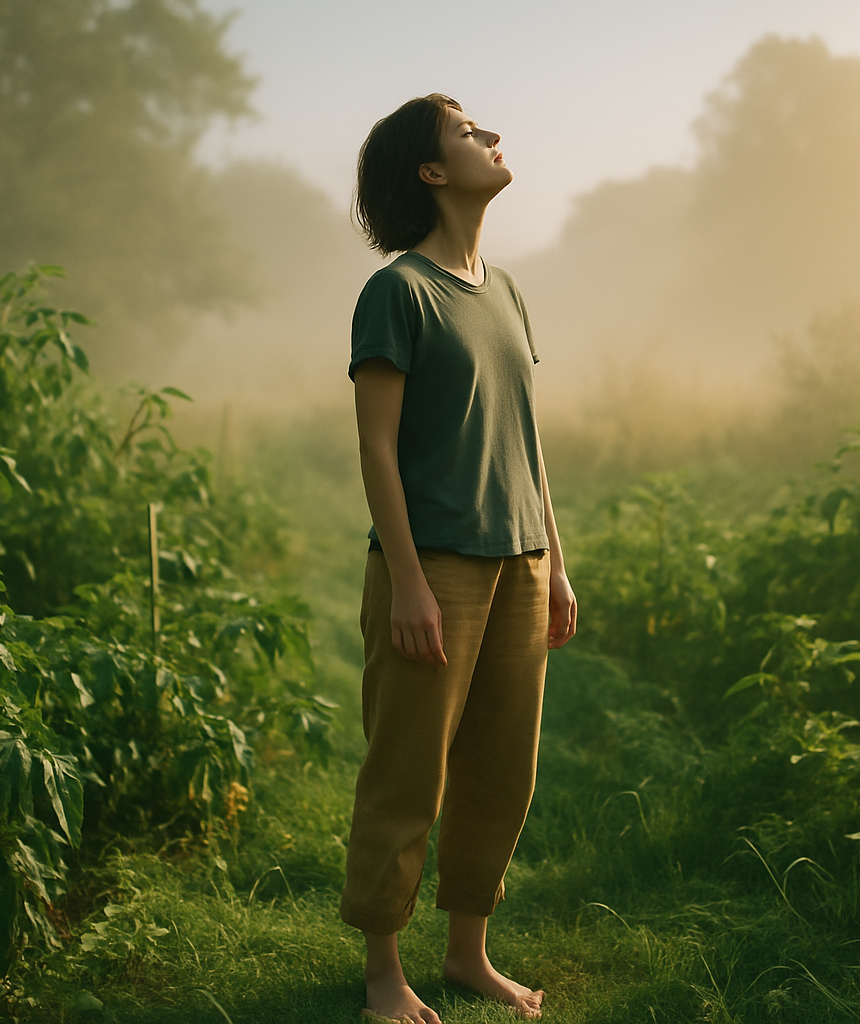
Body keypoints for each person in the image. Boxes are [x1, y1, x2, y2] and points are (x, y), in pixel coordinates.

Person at [342, 93, 578, 1024]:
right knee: (407, 773)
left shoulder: (507, 289)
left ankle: (468, 956)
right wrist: (405, 580)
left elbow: (528, 439)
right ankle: (381, 975)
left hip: (520, 561)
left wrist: (554, 561)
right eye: (465, 132)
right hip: (434, 565)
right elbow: (376, 447)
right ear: (432, 173)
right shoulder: (396, 292)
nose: (489, 135)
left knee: (502, 773)